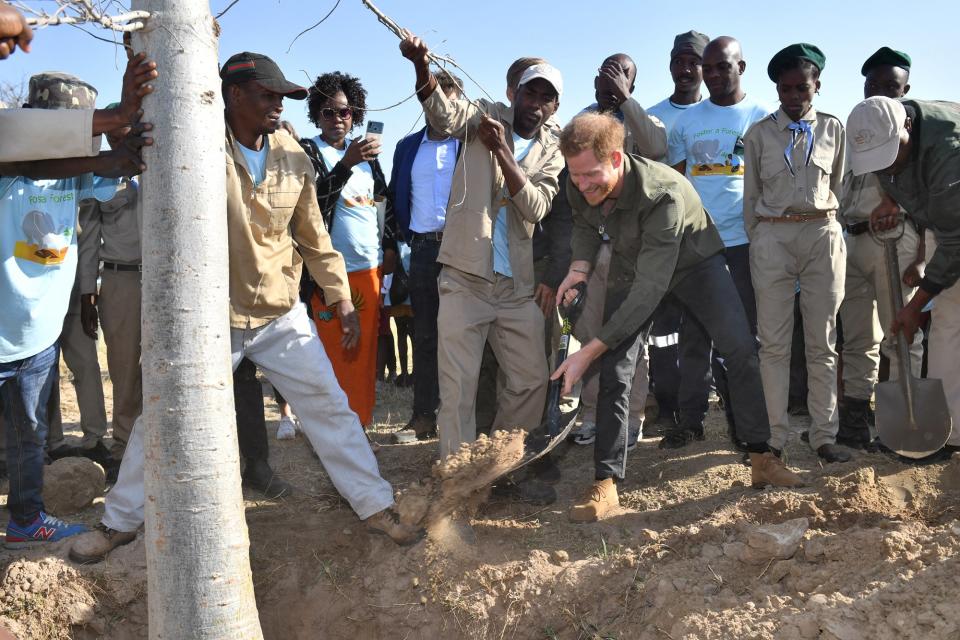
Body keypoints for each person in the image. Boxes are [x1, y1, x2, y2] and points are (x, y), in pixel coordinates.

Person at [68, 52, 420, 564]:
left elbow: (314, 237)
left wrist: (341, 297)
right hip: (212, 317)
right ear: (234, 96)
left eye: (283, 97)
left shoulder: (293, 155)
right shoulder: (194, 147)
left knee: (328, 408)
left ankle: (375, 507)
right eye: (268, 95)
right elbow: (134, 141)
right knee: (163, 413)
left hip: (279, 313)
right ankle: (118, 522)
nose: (278, 105)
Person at [552, 112, 803, 522]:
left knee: (739, 350)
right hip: (633, 261)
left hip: (693, 262)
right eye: (575, 177)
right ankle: (606, 484)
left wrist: (587, 351)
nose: (581, 185)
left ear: (617, 159)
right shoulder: (580, 175)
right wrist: (578, 269)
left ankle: (762, 456)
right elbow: (583, 222)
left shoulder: (662, 193)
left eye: (589, 176)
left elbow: (650, 291)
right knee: (617, 369)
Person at [0, 66, 152, 547]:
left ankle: (25, 520)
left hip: (37, 337)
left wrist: (130, 140)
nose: (82, 139)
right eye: (75, 127)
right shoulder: (9, 167)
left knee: (29, 437)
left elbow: (120, 169)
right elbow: (29, 161)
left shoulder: (80, 175)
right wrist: (114, 122)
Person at [398, 33, 565, 462]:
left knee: (530, 381)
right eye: (531, 91)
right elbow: (443, 115)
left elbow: (536, 207)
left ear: (554, 108)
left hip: (517, 288)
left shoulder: (554, 149)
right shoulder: (484, 116)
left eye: (547, 97)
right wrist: (421, 66)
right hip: (465, 278)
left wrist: (503, 153)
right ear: (515, 93)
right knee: (457, 388)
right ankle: (456, 479)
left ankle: (496, 462)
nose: (536, 103)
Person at [664, 36, 774, 448]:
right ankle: (689, 421)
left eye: (720, 67)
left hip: (745, 241)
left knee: (741, 340)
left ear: (740, 68)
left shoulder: (762, 117)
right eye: (706, 68)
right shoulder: (687, 122)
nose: (711, 75)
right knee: (694, 337)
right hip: (697, 244)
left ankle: (744, 430)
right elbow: (675, 183)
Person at [743, 44, 850, 463]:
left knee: (824, 341)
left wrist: (826, 226)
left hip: (822, 234)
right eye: (785, 89)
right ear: (776, 88)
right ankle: (774, 436)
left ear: (816, 86)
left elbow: (839, 185)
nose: (793, 97)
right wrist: (763, 240)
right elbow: (751, 196)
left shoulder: (833, 129)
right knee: (772, 343)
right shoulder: (759, 134)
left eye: (802, 88)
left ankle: (824, 434)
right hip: (773, 237)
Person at [846, 94, 960, 460]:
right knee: (948, 322)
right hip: (946, 218)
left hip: (956, 220)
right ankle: (952, 433)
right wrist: (892, 201)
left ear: (907, 127)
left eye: (891, 153)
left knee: (947, 310)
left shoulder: (948, 151)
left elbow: (955, 241)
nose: (887, 166)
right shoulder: (880, 130)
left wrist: (915, 306)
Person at [568, 52, 668, 449]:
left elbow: (657, 148)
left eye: (621, 74)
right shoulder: (580, 121)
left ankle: (631, 418)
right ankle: (591, 415)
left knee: (630, 338)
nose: (610, 79)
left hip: (634, 249)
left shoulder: (646, 120)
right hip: (594, 245)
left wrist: (625, 102)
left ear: (632, 83)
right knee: (590, 333)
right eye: (604, 73)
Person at [835, 47, 923, 449]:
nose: (882, 92)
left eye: (892, 86)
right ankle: (854, 422)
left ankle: (903, 424)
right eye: (874, 85)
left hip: (893, 242)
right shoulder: (855, 130)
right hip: (849, 241)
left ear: (906, 89)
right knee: (856, 339)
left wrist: (919, 256)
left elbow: (927, 194)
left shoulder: (916, 134)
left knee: (901, 335)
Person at [300, 71, 397, 430]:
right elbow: (313, 205)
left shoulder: (369, 157)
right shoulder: (308, 151)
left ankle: (362, 424)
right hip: (329, 274)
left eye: (344, 112)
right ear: (316, 115)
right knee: (331, 353)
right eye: (328, 112)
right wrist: (345, 164)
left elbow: (384, 202)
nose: (338, 119)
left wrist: (389, 245)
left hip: (369, 270)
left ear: (355, 115)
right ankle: (332, 430)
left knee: (364, 354)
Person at [387, 69, 463, 441]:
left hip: (462, 251)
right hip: (420, 251)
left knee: (463, 334)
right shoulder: (406, 147)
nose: (440, 110)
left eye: (448, 102)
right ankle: (423, 416)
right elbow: (393, 200)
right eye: (432, 102)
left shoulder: (469, 146)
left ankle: (464, 417)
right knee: (426, 334)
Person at [645, 30, 710, 439]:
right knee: (663, 335)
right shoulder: (652, 118)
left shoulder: (718, 115)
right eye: (679, 61)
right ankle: (665, 409)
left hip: (705, 242)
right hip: (662, 244)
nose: (685, 69)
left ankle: (693, 417)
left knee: (699, 335)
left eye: (694, 61)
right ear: (670, 65)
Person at [77, 122, 143, 461]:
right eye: (113, 134)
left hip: (168, 280)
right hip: (121, 282)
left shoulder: (163, 165)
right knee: (124, 366)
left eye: (126, 131)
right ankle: (124, 448)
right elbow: (88, 240)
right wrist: (88, 292)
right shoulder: (97, 180)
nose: (120, 139)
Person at [0, 53, 156, 163]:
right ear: (27, 113)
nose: (65, 137)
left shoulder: (80, 174)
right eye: (59, 126)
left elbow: (113, 166)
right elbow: (28, 168)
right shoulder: (9, 153)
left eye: (78, 132)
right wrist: (120, 116)